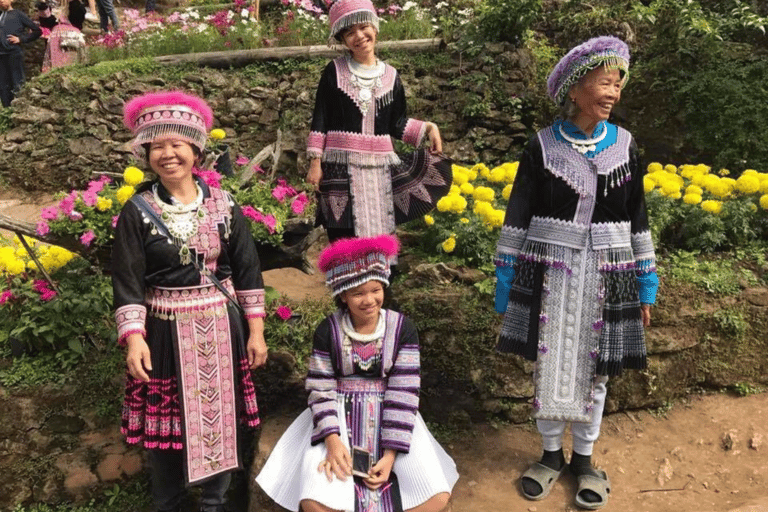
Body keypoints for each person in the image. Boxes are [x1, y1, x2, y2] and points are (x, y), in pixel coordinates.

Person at [494, 36, 658, 510]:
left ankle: (584, 459)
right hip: (549, 268)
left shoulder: (625, 147)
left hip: (611, 267)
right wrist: (506, 284)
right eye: (605, 82)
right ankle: (549, 455)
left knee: (597, 368)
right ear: (575, 88)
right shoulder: (541, 147)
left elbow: (637, 216)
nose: (614, 92)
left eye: (618, 85)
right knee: (548, 360)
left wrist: (646, 283)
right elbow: (518, 214)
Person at [113, 90, 268, 512]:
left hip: (221, 327)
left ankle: (215, 504)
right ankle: (169, 502)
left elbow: (248, 270)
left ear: (195, 150)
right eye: (157, 146)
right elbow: (126, 281)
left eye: (177, 144)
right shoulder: (138, 211)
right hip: (162, 330)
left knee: (218, 417)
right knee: (165, 424)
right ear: (146, 153)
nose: (168, 154)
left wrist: (256, 332)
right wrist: (134, 339)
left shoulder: (224, 205)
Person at [256, 235, 458, 512]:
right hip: (337, 415)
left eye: (375, 290)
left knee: (435, 495)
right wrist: (332, 440)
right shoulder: (327, 330)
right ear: (343, 295)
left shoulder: (402, 329)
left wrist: (391, 454)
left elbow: (405, 390)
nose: (369, 300)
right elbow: (321, 386)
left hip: (392, 413)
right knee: (315, 501)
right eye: (357, 293)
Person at [305, 0, 451, 243]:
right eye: (350, 33)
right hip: (340, 169)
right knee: (343, 241)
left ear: (375, 27)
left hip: (379, 172)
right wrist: (315, 163)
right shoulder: (334, 71)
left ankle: (380, 282)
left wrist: (428, 127)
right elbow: (320, 117)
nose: (359, 36)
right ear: (342, 40)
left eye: (363, 27)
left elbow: (396, 124)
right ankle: (347, 281)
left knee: (380, 238)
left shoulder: (391, 76)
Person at [0, 0, 41, 107]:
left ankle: (20, 109)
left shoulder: (18, 14)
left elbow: (37, 31)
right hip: (1, 55)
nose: (1, 1)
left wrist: (21, 39)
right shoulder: (0, 15)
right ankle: (7, 112)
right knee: (3, 85)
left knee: (17, 81)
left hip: (13, 53)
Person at [41, 0, 85, 73]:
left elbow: (47, 21)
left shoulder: (74, 5)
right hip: (64, 35)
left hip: (62, 35)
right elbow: (78, 20)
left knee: (63, 62)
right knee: (64, 62)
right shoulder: (73, 4)